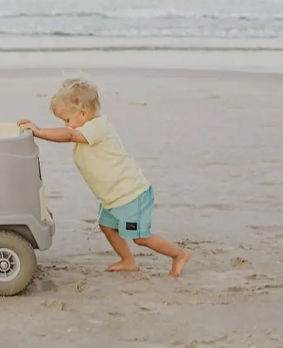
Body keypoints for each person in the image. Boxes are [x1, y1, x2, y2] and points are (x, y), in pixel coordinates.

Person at [18, 77, 191, 276]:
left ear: (83, 113)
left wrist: (39, 131)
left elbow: (69, 136)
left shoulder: (97, 128)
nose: (66, 125)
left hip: (130, 195)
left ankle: (179, 254)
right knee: (107, 226)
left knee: (140, 237)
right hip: (113, 198)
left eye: (67, 120)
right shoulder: (85, 129)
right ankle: (128, 260)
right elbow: (71, 134)